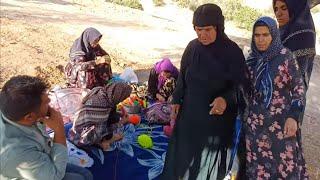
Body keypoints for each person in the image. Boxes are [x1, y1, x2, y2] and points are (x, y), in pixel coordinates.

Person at [161, 4, 248, 180]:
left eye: (207, 29)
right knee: (183, 160)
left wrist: (225, 100)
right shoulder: (192, 48)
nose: (202, 35)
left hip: (215, 122)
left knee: (206, 167)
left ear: (218, 27)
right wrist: (177, 99)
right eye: (198, 30)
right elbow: (183, 77)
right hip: (190, 116)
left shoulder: (232, 52)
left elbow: (241, 87)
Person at [245, 16, 308, 179]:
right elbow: (244, 89)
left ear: (273, 34)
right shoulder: (251, 59)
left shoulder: (286, 56)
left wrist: (294, 117)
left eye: (265, 35)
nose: (260, 40)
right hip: (256, 126)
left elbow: (299, 88)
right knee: (259, 168)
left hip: (281, 125)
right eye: (257, 35)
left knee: (284, 168)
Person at [0, 75, 93, 180]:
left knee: (85, 174)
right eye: (46, 102)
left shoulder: (13, 110)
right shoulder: (19, 153)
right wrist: (59, 130)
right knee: (81, 178)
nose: (50, 102)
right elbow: (55, 176)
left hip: (38, 158)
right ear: (29, 117)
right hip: (30, 172)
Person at [273, 0, 316, 123]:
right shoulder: (281, 32)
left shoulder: (302, 35)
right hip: (273, 99)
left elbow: (296, 78)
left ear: (295, 8)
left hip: (290, 101)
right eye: (276, 9)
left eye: (283, 8)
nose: (278, 13)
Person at [69, 82, 132, 151]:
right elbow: (102, 131)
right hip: (81, 137)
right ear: (118, 97)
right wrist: (121, 123)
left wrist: (120, 113)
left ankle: (103, 140)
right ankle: (104, 142)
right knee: (112, 121)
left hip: (80, 126)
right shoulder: (102, 109)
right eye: (122, 98)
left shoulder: (101, 91)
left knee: (114, 115)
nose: (121, 101)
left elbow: (109, 111)